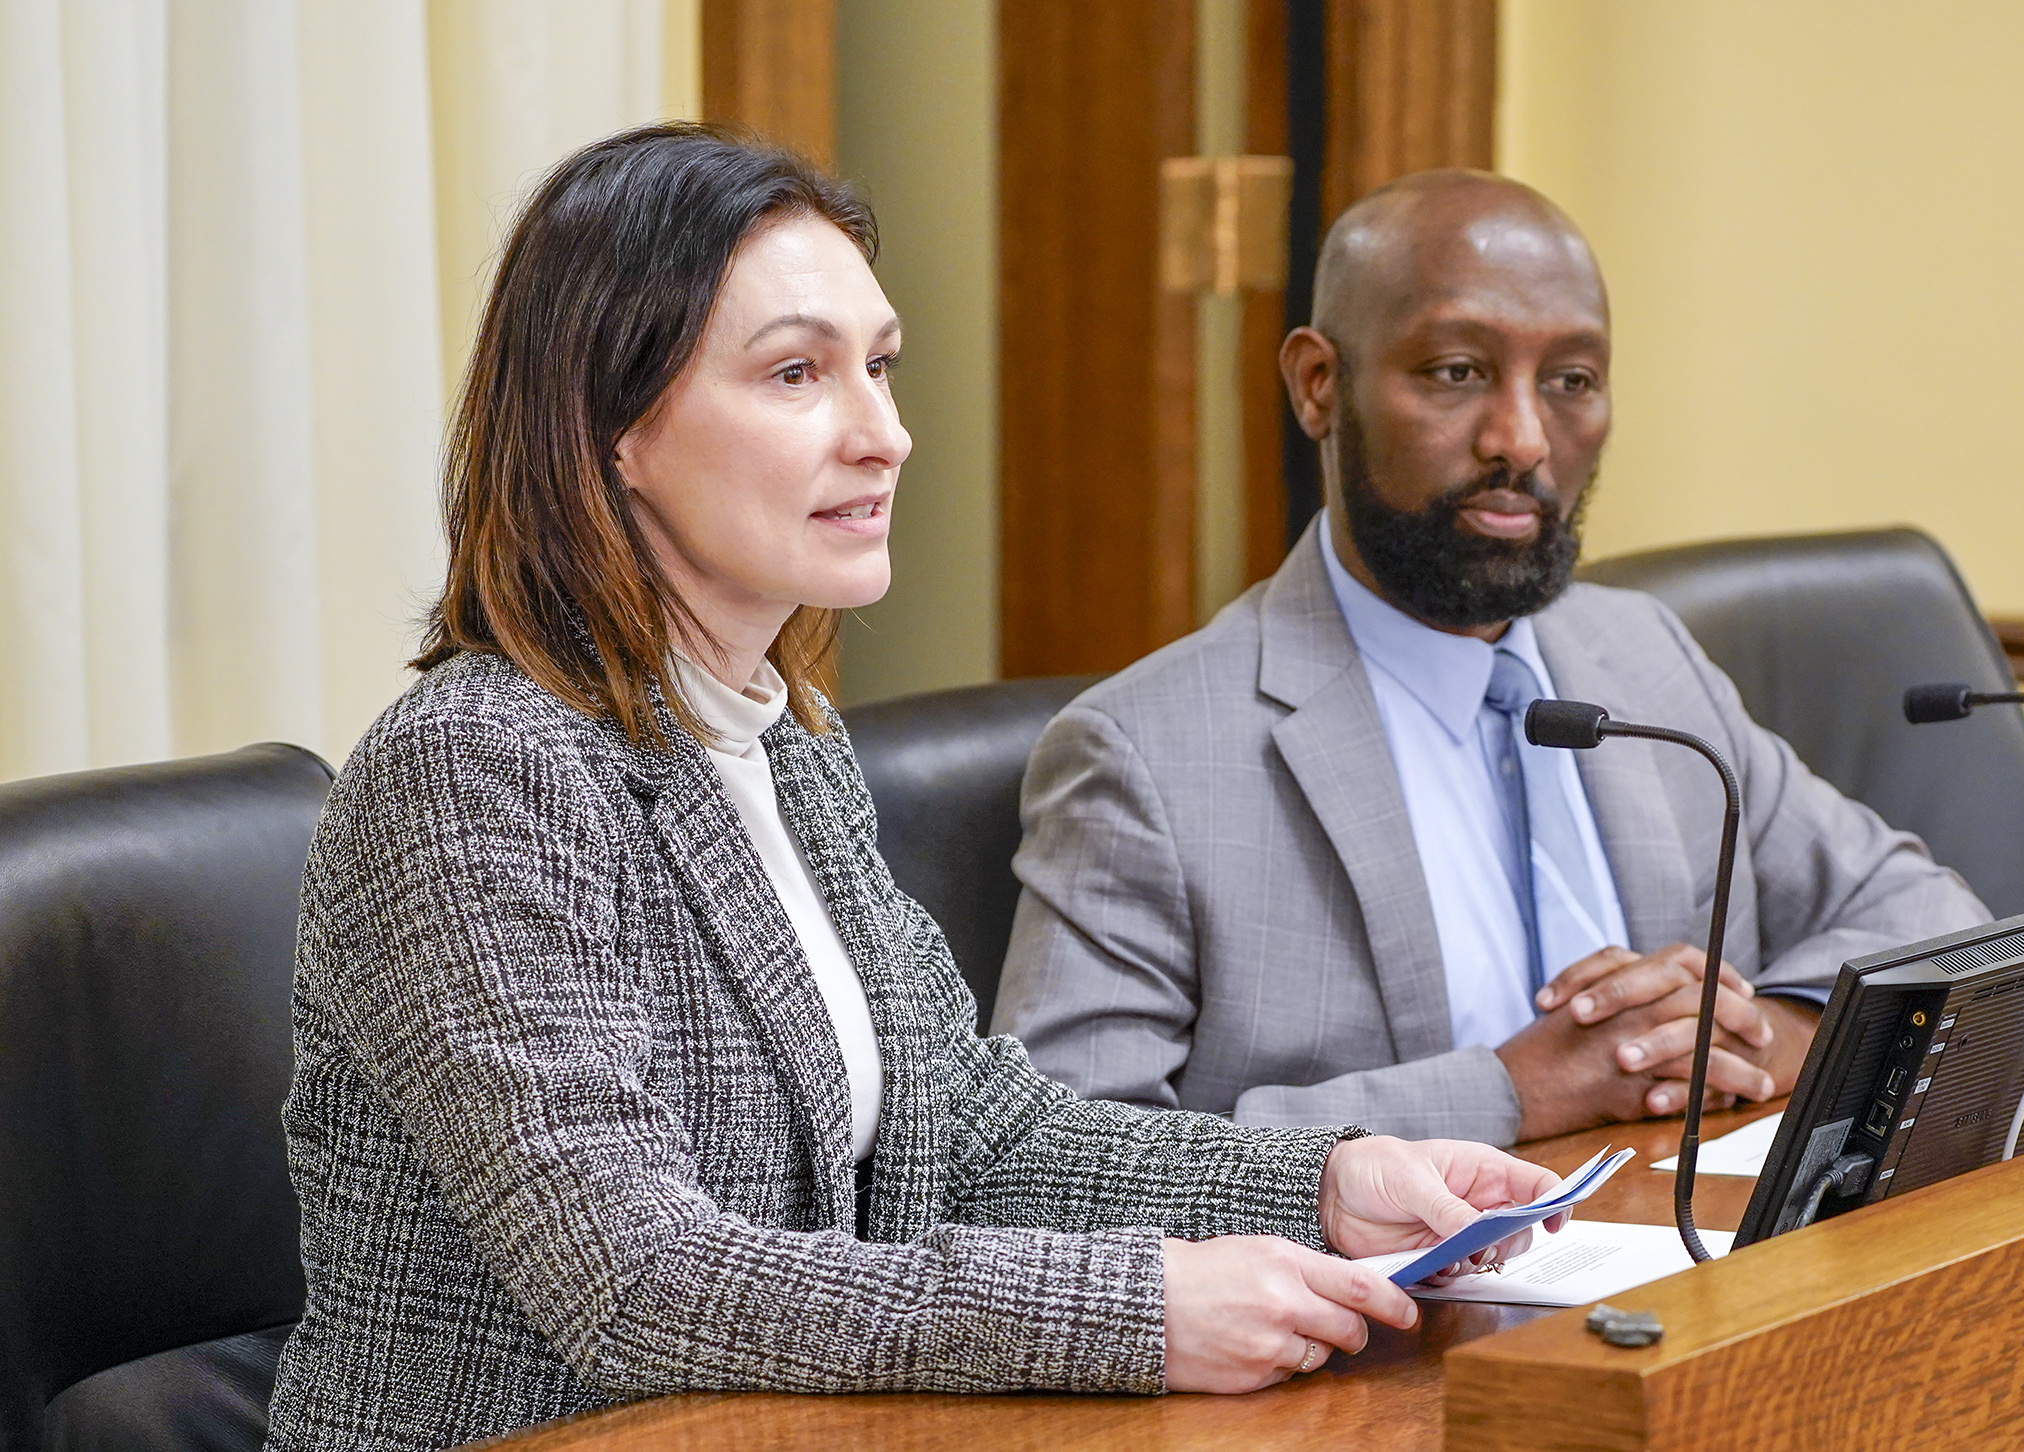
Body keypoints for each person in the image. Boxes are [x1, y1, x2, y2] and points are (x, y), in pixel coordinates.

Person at [262, 128, 1562, 1452]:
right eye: (796, 376)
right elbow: (635, 1283)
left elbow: (975, 1133)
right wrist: (1133, 1312)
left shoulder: (789, 744)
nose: (883, 435)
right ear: (612, 430)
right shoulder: (477, 765)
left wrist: (1327, 1186)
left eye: (878, 368)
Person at [992, 170, 1989, 1147]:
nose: (1521, 439)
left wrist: (1773, 1033)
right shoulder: (1147, 756)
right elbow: (1057, 1160)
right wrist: (1509, 1094)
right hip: (1393, 1305)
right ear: (1318, 384)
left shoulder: (1639, 654)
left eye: (1571, 382)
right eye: (1456, 372)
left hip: (1687, 1268)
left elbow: (1926, 913)